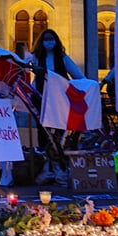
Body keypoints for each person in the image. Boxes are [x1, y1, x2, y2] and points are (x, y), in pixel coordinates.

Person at [28, 28, 85, 187]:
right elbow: (26, 66)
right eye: (45, 39)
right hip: (41, 97)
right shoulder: (36, 57)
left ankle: (58, 163)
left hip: (59, 99)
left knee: (59, 132)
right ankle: (46, 164)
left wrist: (85, 87)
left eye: (51, 38)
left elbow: (77, 75)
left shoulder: (63, 58)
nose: (48, 42)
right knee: (43, 130)